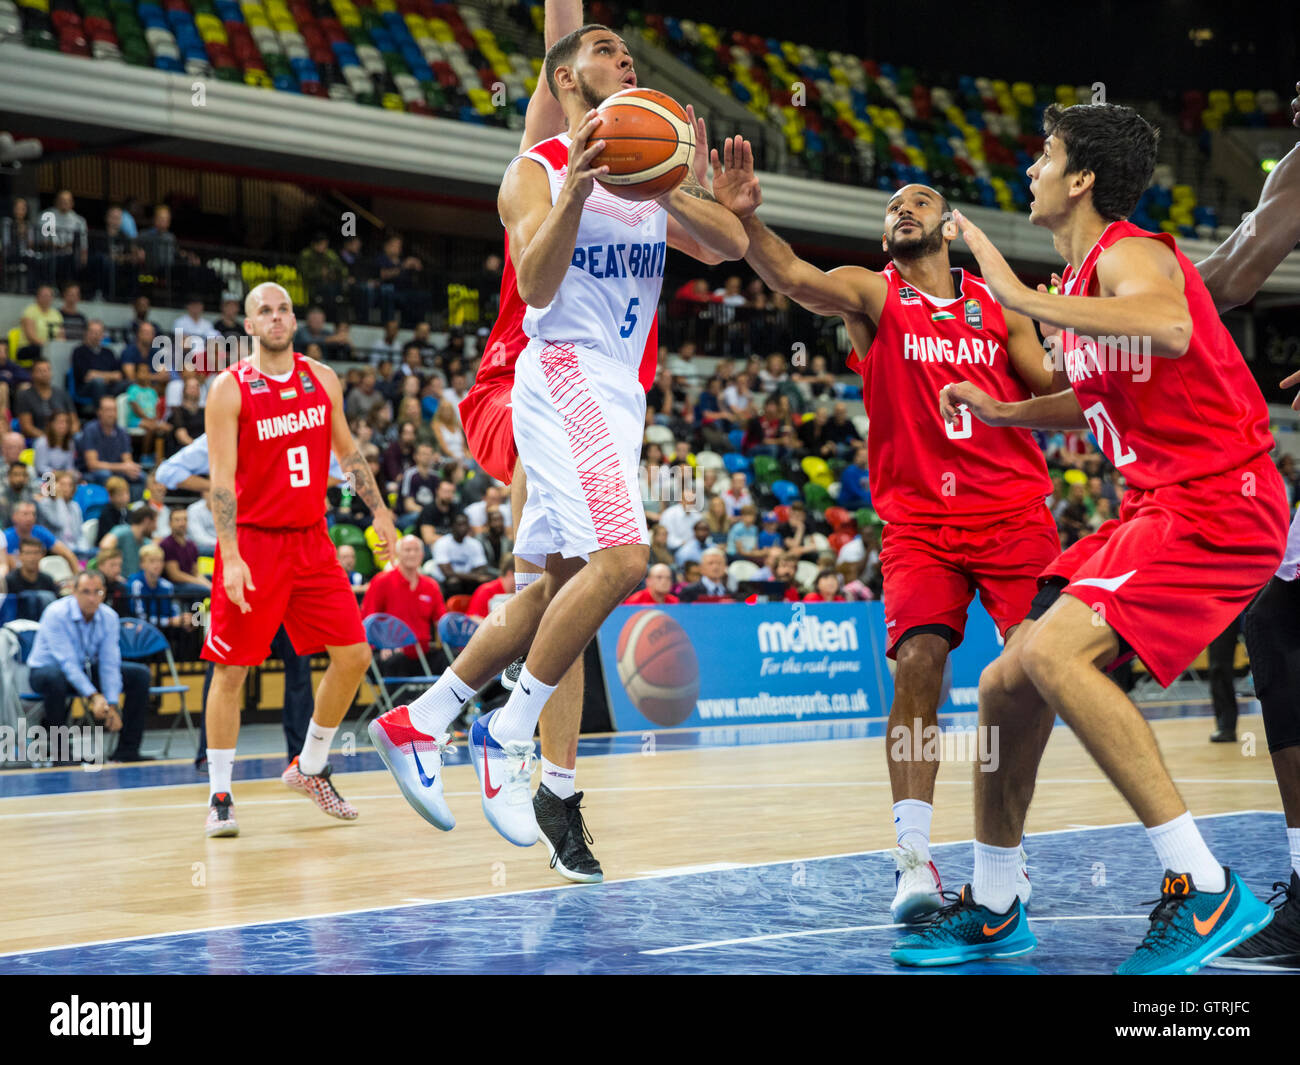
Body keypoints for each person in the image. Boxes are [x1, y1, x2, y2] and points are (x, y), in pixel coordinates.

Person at [894, 102, 1289, 974]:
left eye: (1045, 154)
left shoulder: (1133, 254)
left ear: (1080, 181)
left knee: (1056, 655)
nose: (1030, 167)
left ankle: (1203, 882)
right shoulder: (1078, 286)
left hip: (1219, 500)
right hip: (1157, 506)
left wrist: (1017, 296)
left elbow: (1174, 324)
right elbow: (1102, 390)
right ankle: (996, 903)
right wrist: (1008, 410)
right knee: (1005, 682)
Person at [368, 17, 745, 867]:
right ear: (568, 80)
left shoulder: (647, 177)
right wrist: (575, 188)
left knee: (554, 589)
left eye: (630, 54)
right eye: (608, 50)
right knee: (622, 560)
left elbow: (726, 247)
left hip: (621, 391)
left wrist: (704, 192)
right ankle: (505, 732)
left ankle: (418, 719)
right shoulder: (533, 170)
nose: (626, 60)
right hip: (561, 369)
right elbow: (536, 287)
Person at [713, 146, 1057, 923]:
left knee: (1040, 670)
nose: (904, 209)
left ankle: (1005, 850)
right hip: (919, 524)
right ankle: (913, 858)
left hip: (1014, 513)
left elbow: (1049, 387)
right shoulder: (873, 294)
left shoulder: (998, 300)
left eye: (921, 200)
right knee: (918, 669)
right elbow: (796, 278)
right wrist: (745, 218)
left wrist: (1086, 335)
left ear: (947, 223)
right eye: (893, 206)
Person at [200, 281, 397, 838]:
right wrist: (231, 554)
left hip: (312, 539)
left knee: (354, 655)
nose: (277, 316)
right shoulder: (229, 389)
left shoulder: (322, 378)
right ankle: (220, 795)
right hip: (255, 543)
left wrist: (379, 512)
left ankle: (310, 766)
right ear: (249, 325)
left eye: (284, 308)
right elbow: (220, 483)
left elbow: (348, 453)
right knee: (232, 669)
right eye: (264, 310)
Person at [27, 570, 152, 762]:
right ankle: (61, 754)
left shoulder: (109, 616)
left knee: (139, 675)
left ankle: (127, 750)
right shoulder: (56, 613)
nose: (92, 598)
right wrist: (94, 696)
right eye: (86, 592)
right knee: (55, 679)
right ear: (74, 592)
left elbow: (110, 662)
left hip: (84, 669)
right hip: (47, 670)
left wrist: (111, 703)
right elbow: (67, 663)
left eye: (98, 592)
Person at [361, 534, 449, 675]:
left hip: (423, 653)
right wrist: (383, 644)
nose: (412, 554)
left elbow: (442, 621)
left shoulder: (431, 585)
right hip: (390, 651)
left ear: (422, 555)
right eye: (407, 550)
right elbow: (369, 620)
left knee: (451, 660)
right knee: (394, 660)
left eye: (416, 550)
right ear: (398, 554)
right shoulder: (381, 581)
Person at [80, 394, 143, 492]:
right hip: (95, 473)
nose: (111, 414)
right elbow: (92, 464)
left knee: (140, 476)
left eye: (114, 410)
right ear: (99, 412)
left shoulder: (122, 432)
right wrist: (122, 467)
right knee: (105, 475)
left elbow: (127, 460)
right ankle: (109, 505)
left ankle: (133, 506)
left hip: (117, 471)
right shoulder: (90, 430)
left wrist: (131, 468)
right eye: (107, 410)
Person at [429, 512, 494, 597]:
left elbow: (482, 567)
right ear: (452, 526)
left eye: (465, 524)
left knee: (488, 580)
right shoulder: (442, 543)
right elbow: (448, 573)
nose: (463, 528)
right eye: (459, 525)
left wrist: (473, 577)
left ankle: (477, 608)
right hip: (445, 581)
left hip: (467, 579)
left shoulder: (474, 543)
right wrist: (475, 577)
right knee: (454, 582)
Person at [6, 500, 80, 573]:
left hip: (39, 575)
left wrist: (77, 577)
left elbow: (68, 554)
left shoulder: (41, 532)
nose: (30, 518)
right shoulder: (6, 537)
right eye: (25, 514)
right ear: (14, 516)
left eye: (33, 514)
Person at [15, 358, 78, 440]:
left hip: (64, 438)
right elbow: (27, 427)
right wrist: (49, 439)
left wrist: (68, 436)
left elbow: (74, 422)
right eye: (40, 371)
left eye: (47, 370)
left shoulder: (62, 393)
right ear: (32, 374)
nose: (45, 373)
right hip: (39, 438)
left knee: (79, 438)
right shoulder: (24, 396)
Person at [128, 543, 182, 629]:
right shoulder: (136, 584)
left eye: (160, 561)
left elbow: (175, 614)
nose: (157, 565)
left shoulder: (168, 586)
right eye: (152, 561)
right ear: (142, 564)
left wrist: (182, 620)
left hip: (166, 632)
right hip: (142, 634)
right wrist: (169, 621)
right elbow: (140, 618)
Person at [7, 536, 58, 619]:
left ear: (42, 555)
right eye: (28, 553)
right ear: (20, 555)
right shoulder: (10, 580)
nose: (32, 557)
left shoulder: (48, 580)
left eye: (36, 553)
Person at [98, 504, 155, 578]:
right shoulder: (122, 531)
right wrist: (116, 573)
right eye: (154, 522)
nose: (155, 527)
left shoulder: (147, 543)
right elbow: (105, 546)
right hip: (118, 581)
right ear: (147, 521)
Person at [37, 469, 82, 549]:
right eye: (62, 485)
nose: (67, 488)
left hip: (75, 547)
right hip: (55, 548)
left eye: (70, 485)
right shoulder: (45, 504)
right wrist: (59, 499)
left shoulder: (75, 506)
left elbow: (78, 533)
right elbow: (61, 523)